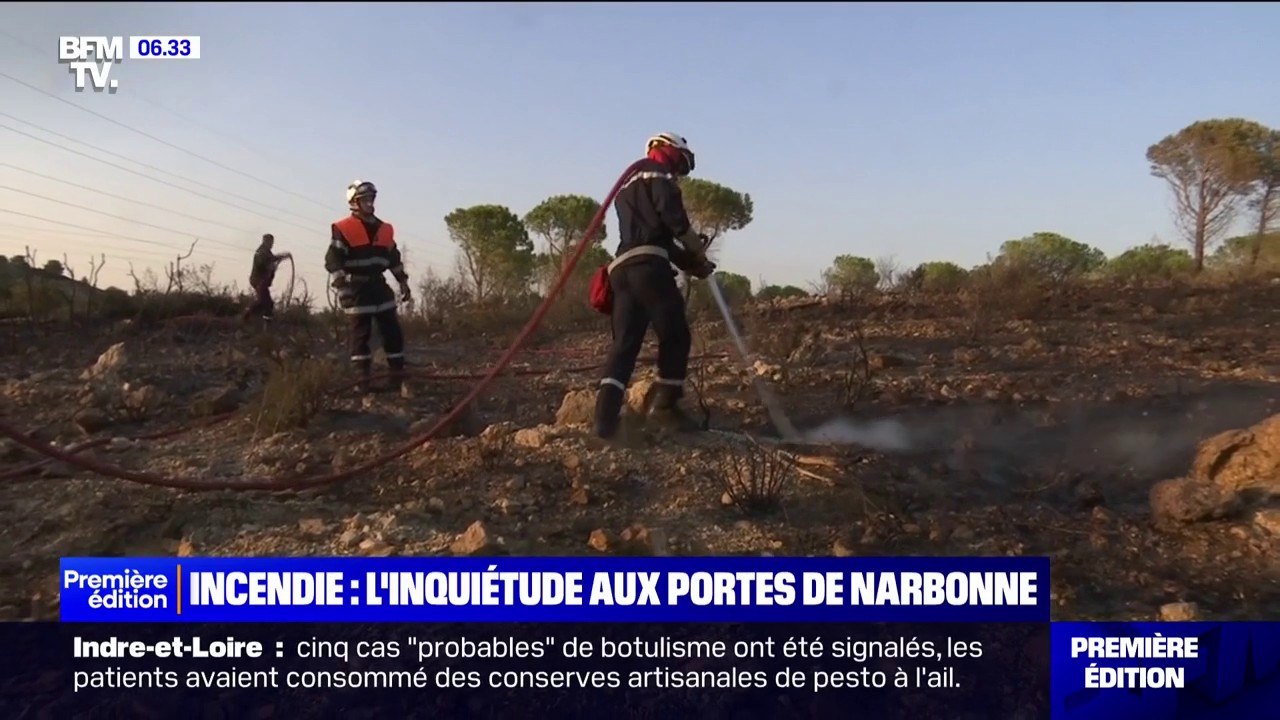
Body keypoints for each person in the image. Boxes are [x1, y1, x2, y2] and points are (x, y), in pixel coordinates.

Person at [593, 132, 717, 440]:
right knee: (675, 334)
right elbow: (674, 223)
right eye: (681, 165)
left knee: (624, 345)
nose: (679, 173)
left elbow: (655, 237)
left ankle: (604, 422)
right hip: (649, 269)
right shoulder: (658, 174)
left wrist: (690, 264)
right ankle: (666, 410)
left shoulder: (627, 186)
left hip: (622, 270)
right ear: (671, 151)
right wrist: (696, 249)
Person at [325, 180, 413, 394]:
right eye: (365, 199)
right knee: (360, 335)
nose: (370, 203)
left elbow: (393, 258)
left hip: (379, 286)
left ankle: (396, 377)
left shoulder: (384, 229)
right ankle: (362, 381)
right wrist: (342, 288)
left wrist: (403, 282)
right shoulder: (343, 229)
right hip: (357, 288)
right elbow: (333, 261)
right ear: (355, 202)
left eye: (371, 198)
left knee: (392, 332)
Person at [241, 233, 291, 322]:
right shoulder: (261, 252)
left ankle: (251, 318)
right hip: (259, 280)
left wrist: (284, 256)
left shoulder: (266, 252)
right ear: (265, 241)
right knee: (266, 302)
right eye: (270, 242)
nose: (272, 244)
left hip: (261, 281)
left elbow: (273, 258)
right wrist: (270, 266)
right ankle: (248, 317)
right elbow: (263, 263)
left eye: (272, 242)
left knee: (265, 302)